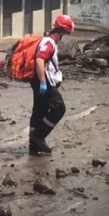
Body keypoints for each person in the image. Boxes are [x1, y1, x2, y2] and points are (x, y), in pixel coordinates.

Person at [30, 15, 75, 156]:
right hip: (45, 81)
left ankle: (33, 146)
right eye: (67, 33)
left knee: (40, 110)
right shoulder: (49, 43)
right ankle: (38, 136)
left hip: (39, 80)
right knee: (59, 108)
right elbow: (39, 61)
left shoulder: (47, 41)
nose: (67, 37)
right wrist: (43, 83)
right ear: (61, 31)